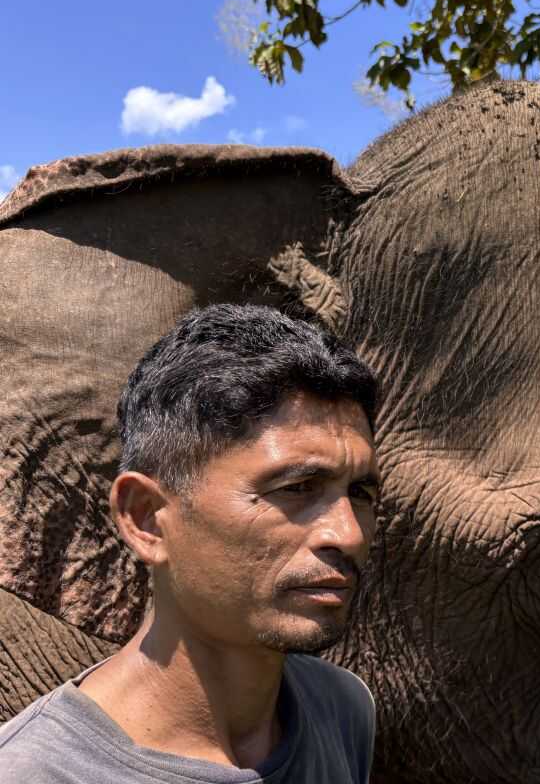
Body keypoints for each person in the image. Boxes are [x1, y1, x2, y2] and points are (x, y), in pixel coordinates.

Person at [0, 304, 382, 783]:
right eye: (297, 488)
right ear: (147, 519)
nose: (347, 534)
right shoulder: (32, 773)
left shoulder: (342, 710)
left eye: (361, 494)